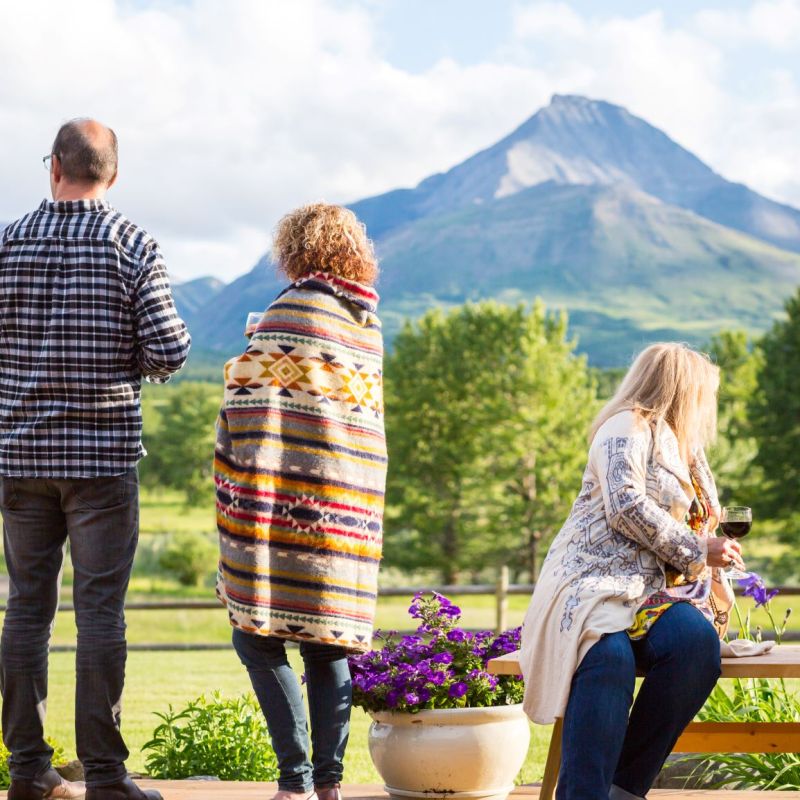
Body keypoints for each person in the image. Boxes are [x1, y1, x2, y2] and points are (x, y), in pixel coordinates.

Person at [0, 119, 191, 800]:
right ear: (112, 173)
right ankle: (107, 777)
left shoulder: (8, 242)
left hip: (21, 457)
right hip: (103, 460)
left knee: (26, 610)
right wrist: (122, 359)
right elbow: (168, 352)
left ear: (54, 165)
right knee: (100, 613)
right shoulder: (132, 243)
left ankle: (28, 773)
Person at [215, 203, 387, 800]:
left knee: (256, 638)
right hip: (346, 508)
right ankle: (331, 785)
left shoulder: (290, 309)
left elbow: (248, 399)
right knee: (326, 641)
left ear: (293, 250)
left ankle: (295, 781)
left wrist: (248, 350)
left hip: (285, 506)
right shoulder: (363, 322)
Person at [519, 342, 740, 800]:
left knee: (696, 646)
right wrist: (699, 547)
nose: (708, 407)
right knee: (609, 659)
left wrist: (710, 556)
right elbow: (626, 506)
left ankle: (624, 789)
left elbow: (702, 518)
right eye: (705, 395)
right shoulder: (625, 427)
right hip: (592, 582)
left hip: (655, 592)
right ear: (683, 390)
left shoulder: (687, 448)